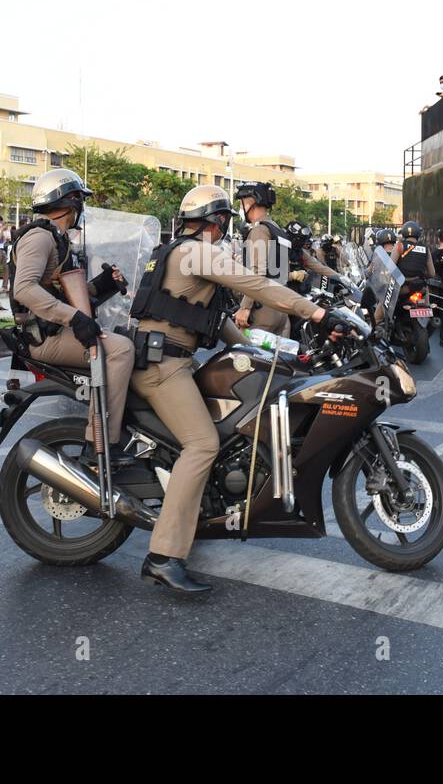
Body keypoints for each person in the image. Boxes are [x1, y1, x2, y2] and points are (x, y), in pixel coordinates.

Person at [130, 185, 354, 594]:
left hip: (170, 359)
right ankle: (163, 556)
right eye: (224, 223)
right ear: (216, 222)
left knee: (223, 423)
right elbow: (258, 285)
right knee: (201, 444)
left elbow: (220, 325)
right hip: (163, 367)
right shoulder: (198, 252)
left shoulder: (180, 253)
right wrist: (317, 313)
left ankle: (195, 510)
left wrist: (274, 353)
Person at [8, 169, 134, 467]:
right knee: (120, 350)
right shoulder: (40, 237)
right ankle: (101, 443)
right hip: (45, 338)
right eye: (81, 201)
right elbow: (24, 288)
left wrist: (106, 284)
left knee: (128, 341)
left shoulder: (58, 238)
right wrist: (75, 319)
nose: (82, 209)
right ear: (71, 200)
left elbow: (67, 295)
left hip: (55, 330)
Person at [231, 181, 294, 337]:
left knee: (247, 359)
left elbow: (258, 272)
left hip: (262, 310)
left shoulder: (259, 230)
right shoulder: (277, 230)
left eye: (242, 203)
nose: (242, 207)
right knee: (275, 360)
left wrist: (245, 307)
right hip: (281, 311)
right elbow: (284, 272)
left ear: (250, 202)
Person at [283, 220, 345, 295]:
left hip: (297, 292)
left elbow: (319, 267)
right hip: (280, 296)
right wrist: (293, 275)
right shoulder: (277, 249)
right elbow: (272, 276)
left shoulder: (299, 252)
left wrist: (341, 278)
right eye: (302, 239)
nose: (304, 242)